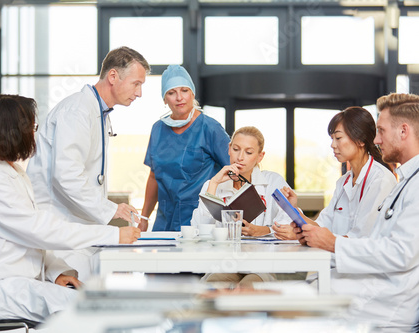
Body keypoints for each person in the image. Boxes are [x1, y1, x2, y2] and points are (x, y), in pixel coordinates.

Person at [0, 95, 140, 323]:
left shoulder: (12, 173)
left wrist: (56, 272)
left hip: (11, 283)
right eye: (32, 127)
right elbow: (40, 231)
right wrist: (112, 234)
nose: (34, 134)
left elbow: (31, 236)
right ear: (12, 132)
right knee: (85, 307)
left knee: (85, 299)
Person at [290, 93, 419, 332]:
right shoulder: (405, 180)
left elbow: (400, 253)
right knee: (298, 291)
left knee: (297, 299)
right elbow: (376, 242)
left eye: (380, 131)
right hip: (374, 281)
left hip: (389, 299)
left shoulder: (405, 183)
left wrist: (334, 245)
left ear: (403, 131)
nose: (376, 140)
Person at [26, 47, 150, 278]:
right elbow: (66, 176)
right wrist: (111, 209)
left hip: (78, 225)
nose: (140, 93)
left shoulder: (98, 113)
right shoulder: (77, 111)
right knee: (76, 297)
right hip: (60, 225)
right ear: (113, 76)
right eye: (136, 83)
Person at [276, 106, 396, 241]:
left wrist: (304, 236)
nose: (332, 145)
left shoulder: (380, 180)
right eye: (332, 138)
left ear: (361, 140)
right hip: (337, 258)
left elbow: (361, 238)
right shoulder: (343, 182)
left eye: (338, 138)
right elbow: (320, 226)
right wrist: (293, 209)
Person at [192, 126, 292, 285]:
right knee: (212, 289)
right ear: (229, 149)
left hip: (261, 264)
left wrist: (263, 230)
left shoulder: (273, 182)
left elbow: (288, 225)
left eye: (249, 152)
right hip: (224, 263)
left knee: (245, 289)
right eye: (236, 149)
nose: (240, 157)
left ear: (260, 156)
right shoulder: (212, 184)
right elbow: (199, 229)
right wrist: (214, 183)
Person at [140, 65, 230, 232]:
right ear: (164, 99)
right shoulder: (158, 129)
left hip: (201, 220)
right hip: (164, 220)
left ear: (192, 94)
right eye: (171, 93)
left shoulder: (210, 128)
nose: (179, 98)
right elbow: (153, 177)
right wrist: (144, 218)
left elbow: (234, 172)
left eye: (184, 90)